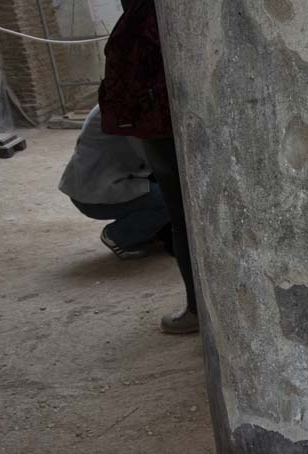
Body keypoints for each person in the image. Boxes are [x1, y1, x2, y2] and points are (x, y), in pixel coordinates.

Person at [99, 0, 197, 335]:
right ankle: (199, 308)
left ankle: (198, 309)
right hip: (167, 116)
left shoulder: (142, 19)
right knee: (182, 215)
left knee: (183, 216)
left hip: (159, 117)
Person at [59, 104, 170, 260]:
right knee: (171, 198)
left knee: (167, 189)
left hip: (94, 185)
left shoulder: (120, 99)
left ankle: (147, 231)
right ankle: (119, 237)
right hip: (95, 195)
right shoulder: (129, 109)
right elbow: (155, 159)